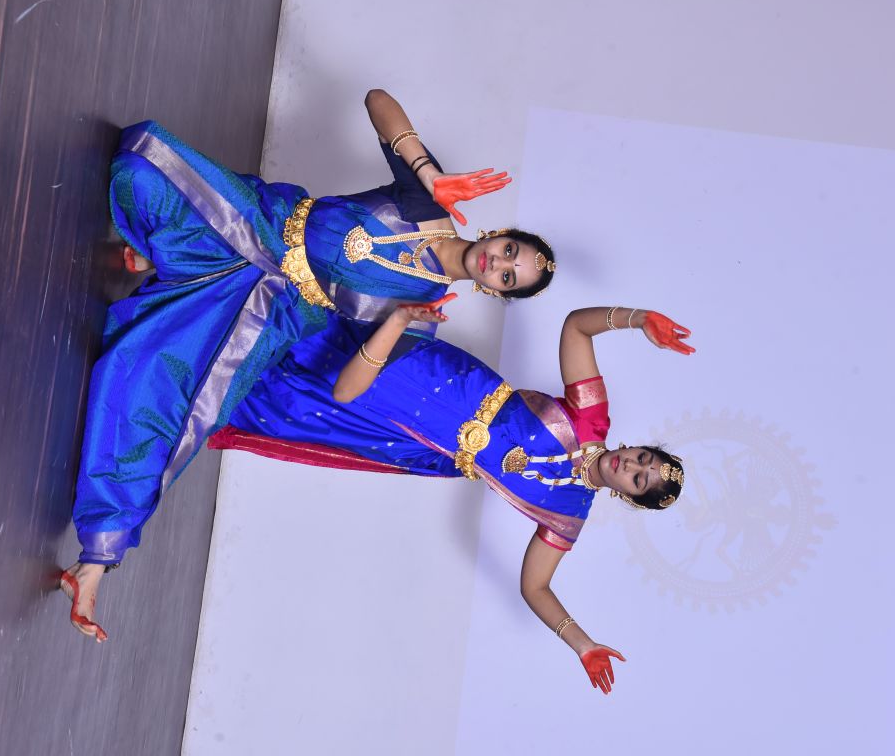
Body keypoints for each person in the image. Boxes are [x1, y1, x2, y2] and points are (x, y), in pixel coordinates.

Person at [60, 90, 557, 640]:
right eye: (511, 251)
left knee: (175, 397)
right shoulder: (429, 205)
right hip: (259, 223)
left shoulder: (421, 317)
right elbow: (377, 101)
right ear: (499, 234)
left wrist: (395, 322)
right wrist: (427, 171)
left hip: (271, 311)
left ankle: (97, 558)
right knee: (139, 160)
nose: (498, 263)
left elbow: (345, 393)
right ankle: (170, 258)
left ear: (495, 292)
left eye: (507, 277)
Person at [205, 304, 693, 693]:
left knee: (307, 406)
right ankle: (221, 302)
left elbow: (535, 587)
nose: (630, 467)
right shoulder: (591, 417)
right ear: (637, 446)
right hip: (449, 383)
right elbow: (576, 328)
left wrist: (582, 645)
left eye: (639, 480)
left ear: (630, 498)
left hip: (432, 444)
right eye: (642, 458)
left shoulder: (567, 515)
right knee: (328, 347)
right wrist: (637, 319)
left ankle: (197, 372)